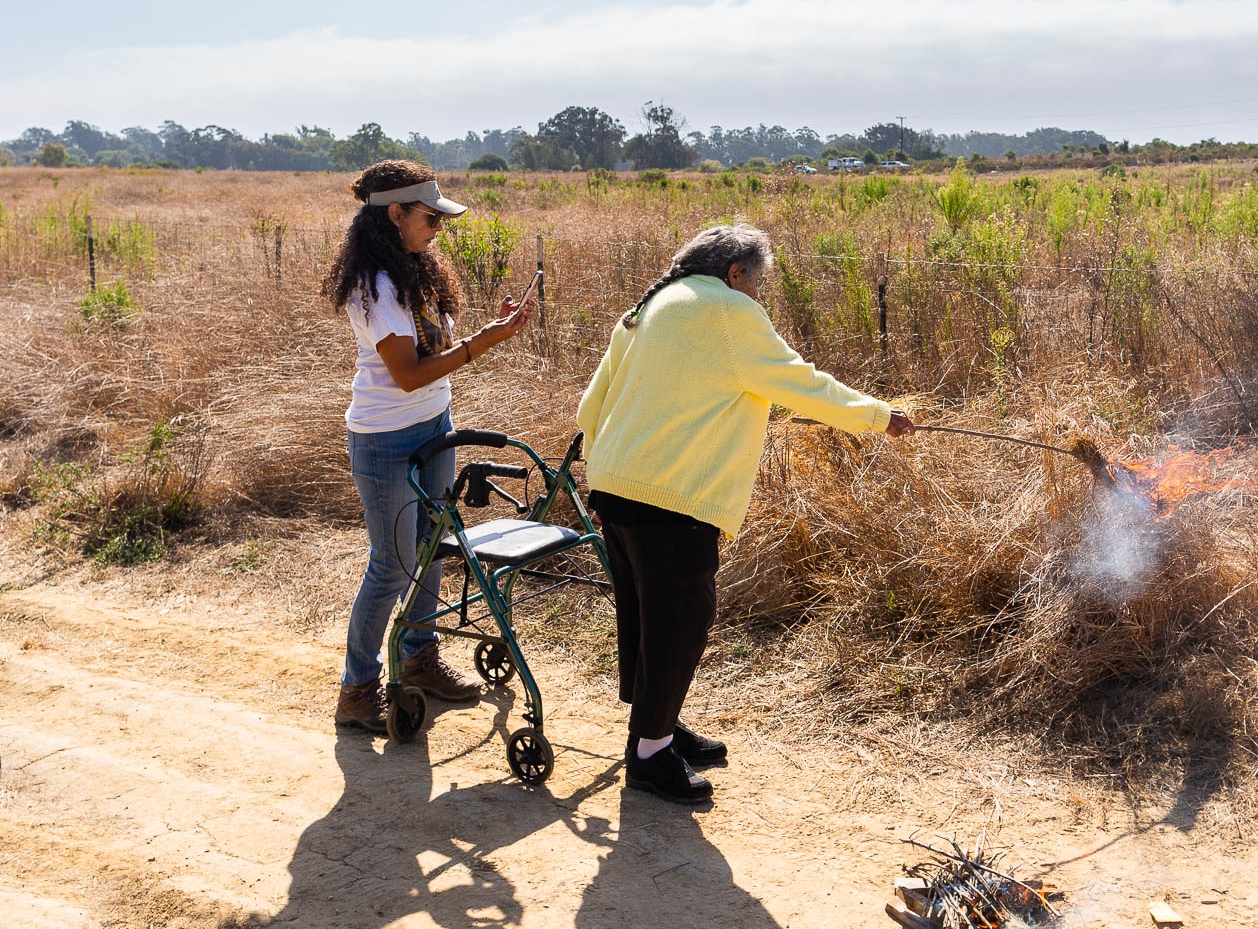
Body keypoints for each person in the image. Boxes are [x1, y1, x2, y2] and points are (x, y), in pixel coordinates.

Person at [577, 223, 913, 804]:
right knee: (681, 618)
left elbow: (591, 406)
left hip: (615, 483)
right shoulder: (728, 311)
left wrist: (604, 465)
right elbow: (798, 383)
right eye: (758, 284)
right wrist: (880, 416)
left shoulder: (649, 305)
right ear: (734, 274)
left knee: (642, 612)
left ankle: (653, 727)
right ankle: (651, 754)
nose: (758, 297)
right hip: (671, 493)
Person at [322, 160, 534, 732]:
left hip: (433, 423)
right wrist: (483, 343)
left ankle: (418, 659)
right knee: (390, 565)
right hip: (386, 438)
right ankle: (358, 689)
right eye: (429, 215)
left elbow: (431, 352)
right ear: (394, 215)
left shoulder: (413, 270)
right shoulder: (375, 285)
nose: (439, 224)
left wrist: (493, 332)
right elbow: (409, 373)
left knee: (433, 544)